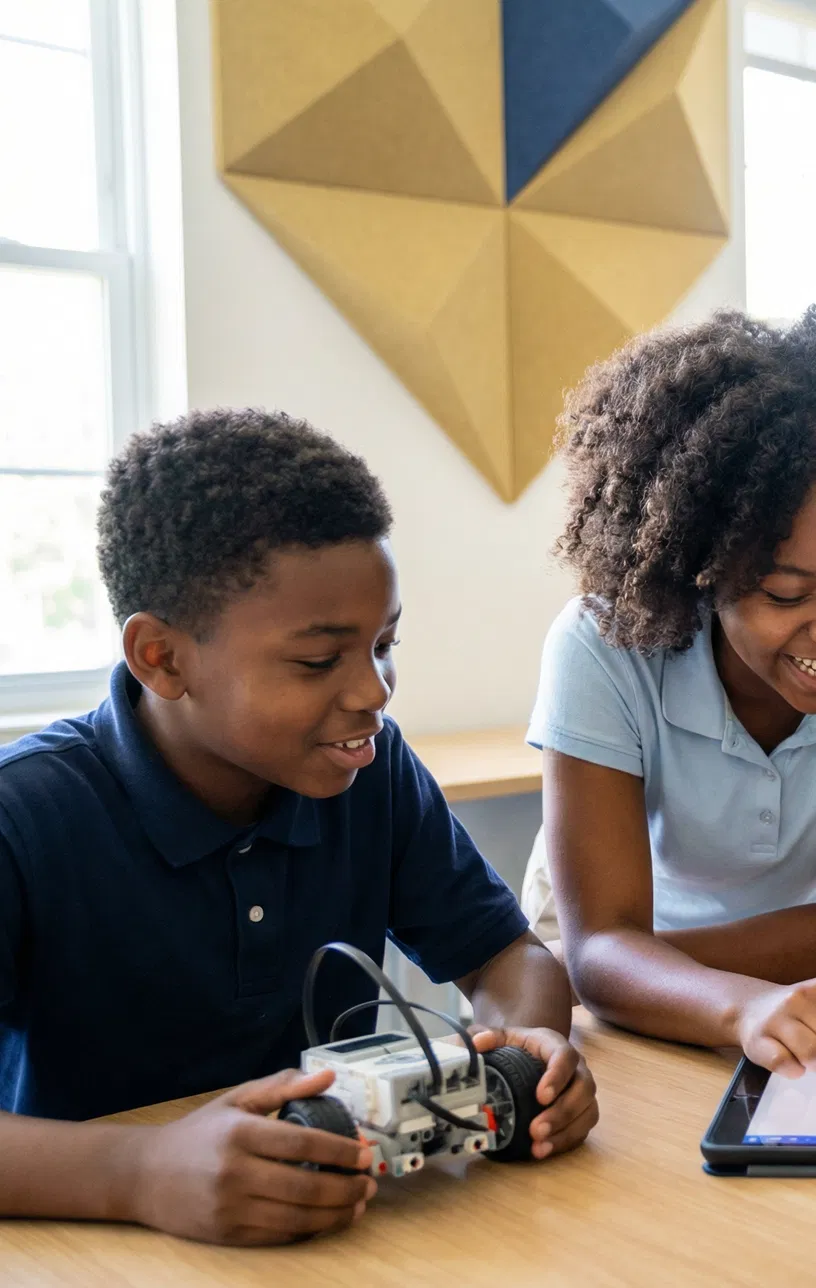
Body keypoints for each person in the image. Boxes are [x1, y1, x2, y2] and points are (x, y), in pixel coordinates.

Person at [0, 410, 597, 1245]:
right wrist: (137, 1174)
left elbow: (507, 956)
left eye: (385, 644)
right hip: (99, 1244)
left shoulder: (367, 771)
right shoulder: (25, 816)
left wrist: (524, 1057)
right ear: (163, 659)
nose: (375, 692)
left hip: (345, 1231)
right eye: (320, 661)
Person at [526, 306, 816, 1084]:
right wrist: (639, 975)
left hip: (771, 980)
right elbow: (597, 945)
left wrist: (637, 969)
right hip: (604, 968)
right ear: (702, 573)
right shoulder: (600, 647)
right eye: (786, 594)